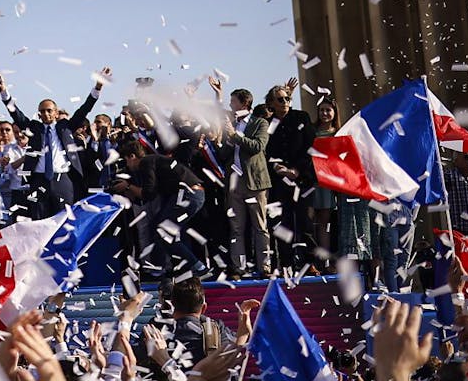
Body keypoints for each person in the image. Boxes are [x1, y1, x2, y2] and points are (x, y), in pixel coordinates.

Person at [0, 66, 111, 220]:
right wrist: (3, 91)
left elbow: (85, 109)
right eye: (42, 111)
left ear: (56, 112)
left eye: (49, 110)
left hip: (63, 180)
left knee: (64, 220)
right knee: (40, 221)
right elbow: (15, 113)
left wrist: (98, 87)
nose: (45, 114)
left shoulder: (66, 126)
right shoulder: (34, 128)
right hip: (39, 181)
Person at [112, 141, 206, 277]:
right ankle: (169, 268)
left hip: (187, 194)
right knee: (160, 228)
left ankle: (194, 266)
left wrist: (128, 186)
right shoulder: (154, 161)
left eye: (127, 161)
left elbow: (148, 193)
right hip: (188, 194)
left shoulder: (146, 162)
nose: (127, 165)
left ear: (132, 156)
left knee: (162, 230)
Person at [213, 87, 272, 279]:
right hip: (234, 184)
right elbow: (224, 155)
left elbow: (258, 146)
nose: (231, 105)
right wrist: (220, 142)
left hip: (255, 182)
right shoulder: (231, 125)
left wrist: (235, 136)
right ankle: (239, 268)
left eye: (233, 101)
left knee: (260, 226)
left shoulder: (260, 123)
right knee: (236, 228)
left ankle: (265, 266)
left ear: (244, 103)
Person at [263, 84, 318, 274]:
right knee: (282, 223)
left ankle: (309, 262)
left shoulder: (301, 117)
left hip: (303, 180)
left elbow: (311, 146)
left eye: (287, 98)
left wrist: (296, 169)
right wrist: (276, 167)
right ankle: (286, 264)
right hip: (279, 181)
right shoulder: (268, 124)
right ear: (271, 103)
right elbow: (266, 151)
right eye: (280, 99)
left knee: (305, 222)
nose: (285, 102)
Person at [312, 97, 340, 272]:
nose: (324, 113)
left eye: (328, 110)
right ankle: (319, 259)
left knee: (328, 221)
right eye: (321, 110)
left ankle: (329, 259)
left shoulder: (339, 133)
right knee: (315, 222)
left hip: (332, 182)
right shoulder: (312, 132)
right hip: (314, 181)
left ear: (334, 112)